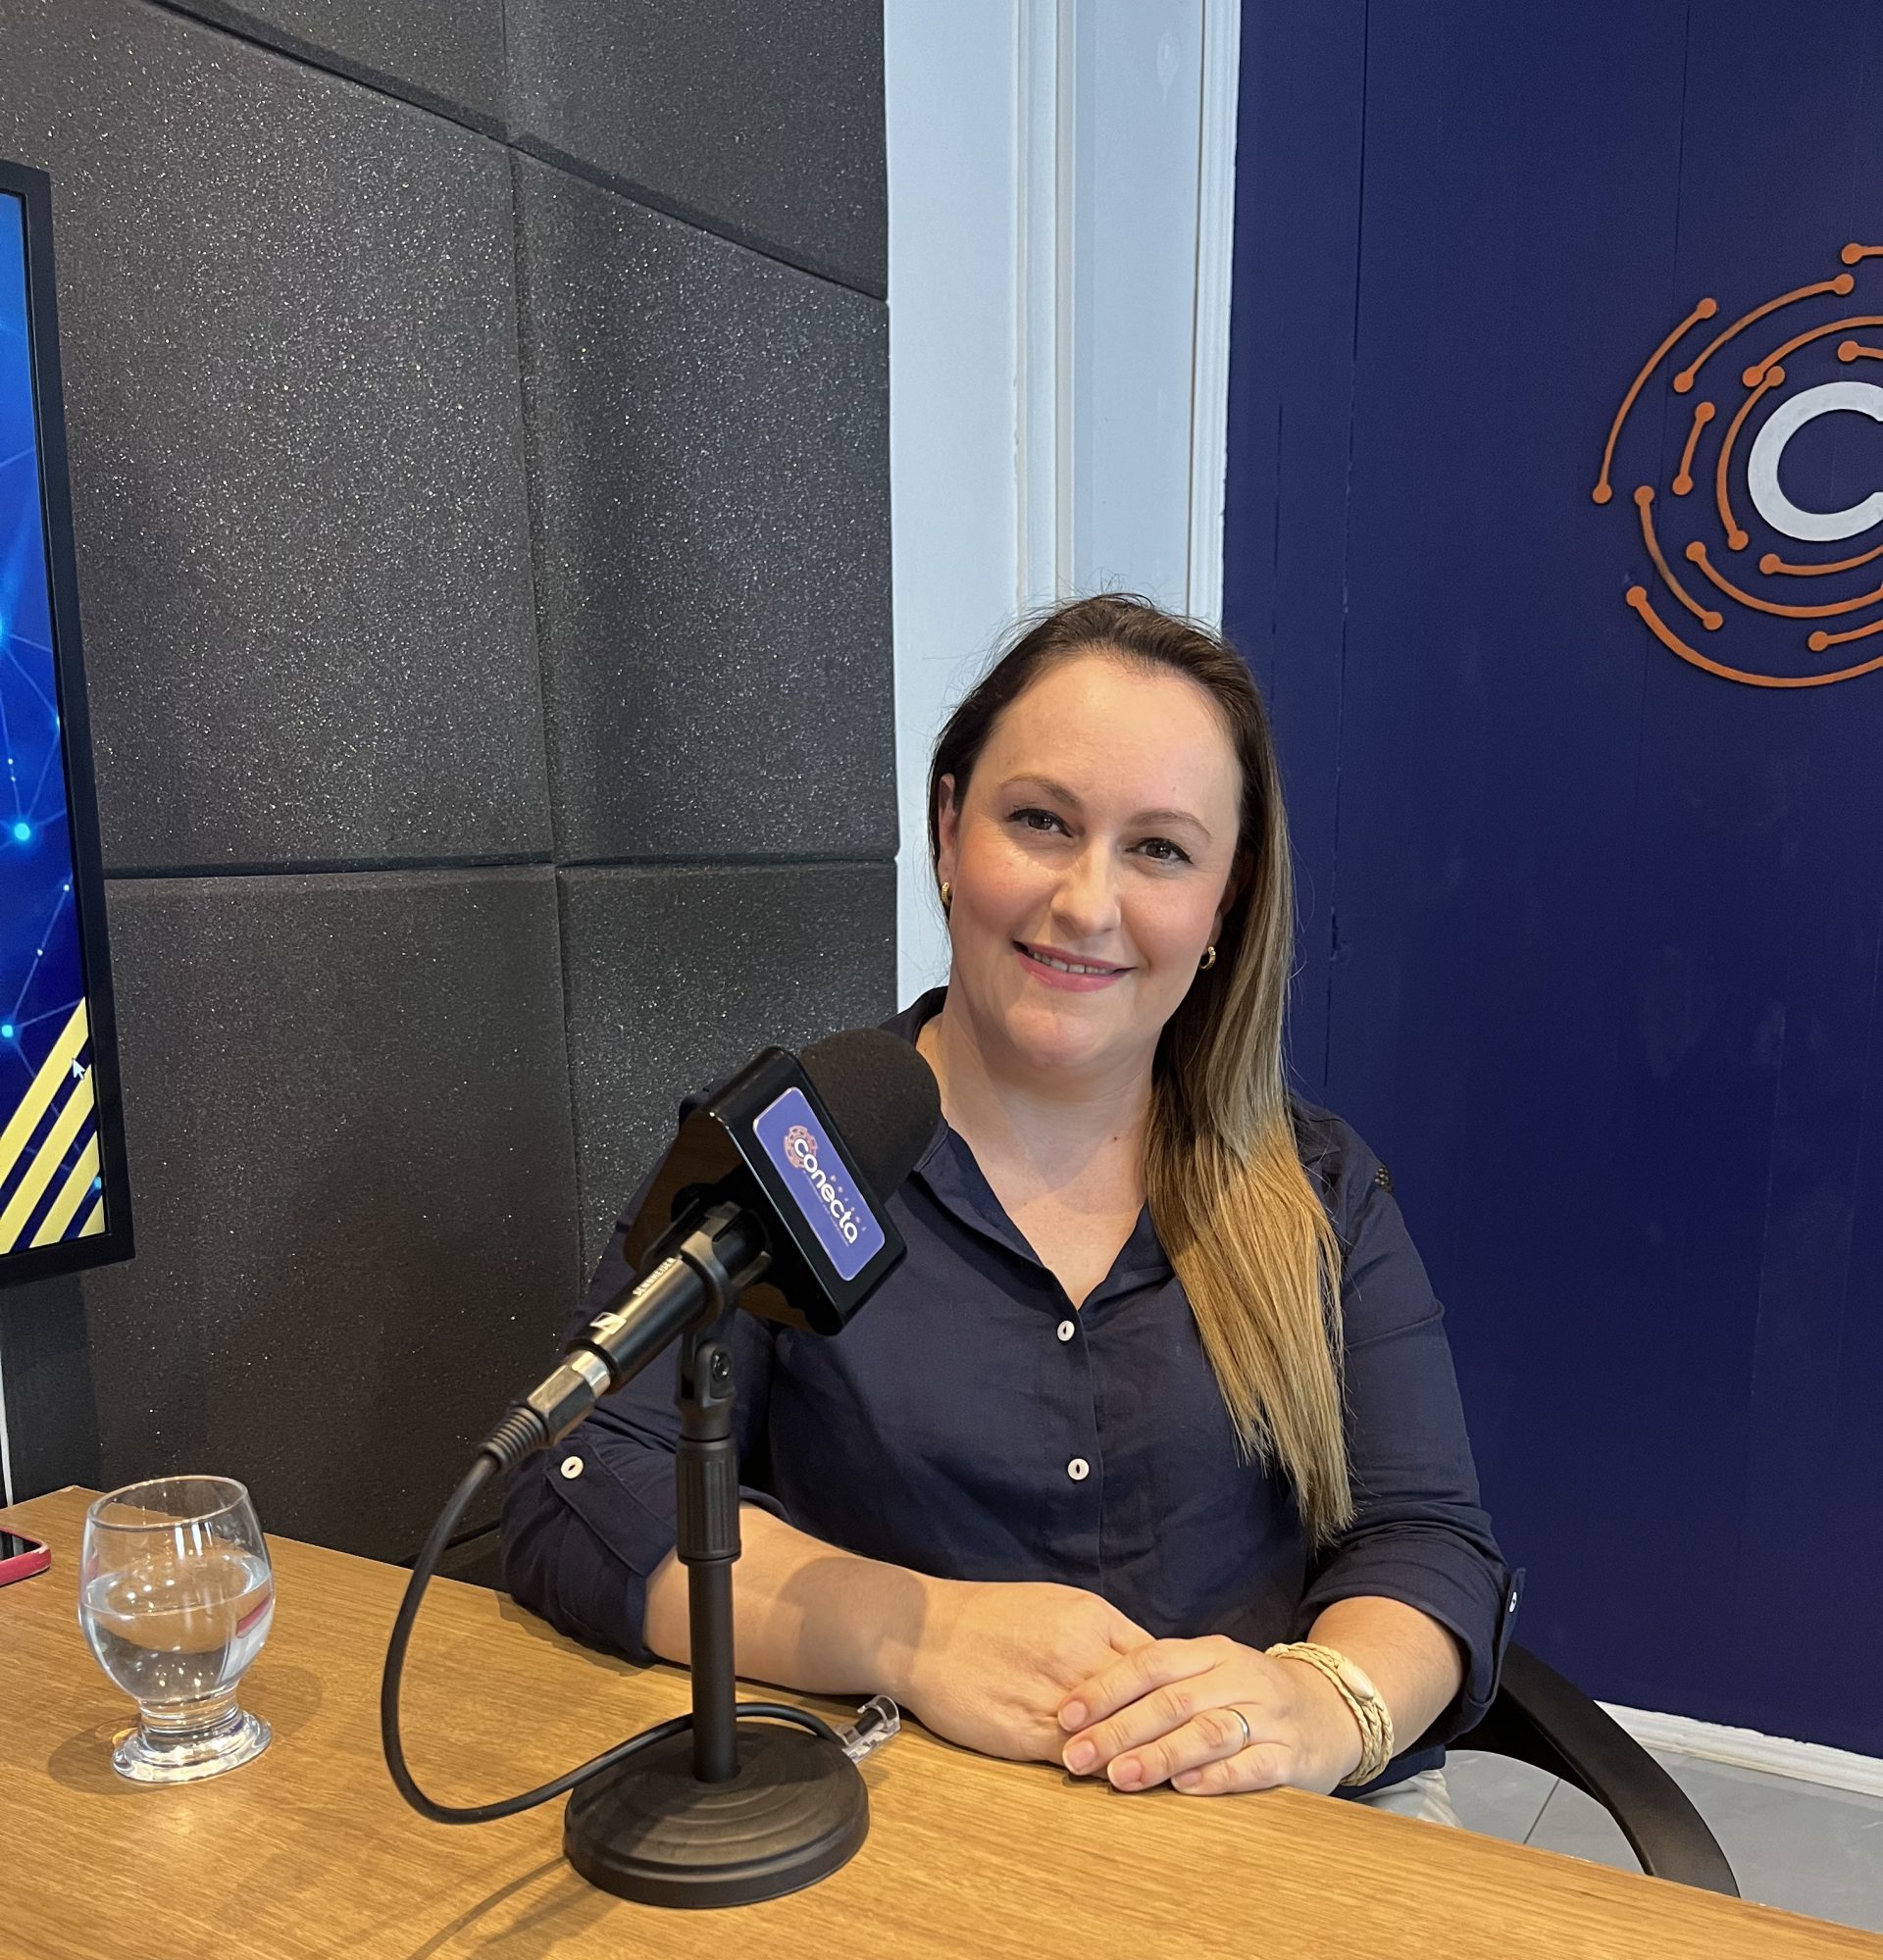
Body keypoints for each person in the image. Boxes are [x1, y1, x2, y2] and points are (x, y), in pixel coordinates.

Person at [502, 595, 1515, 1822]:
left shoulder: (1319, 1192)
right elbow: (578, 1484)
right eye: (1041, 821)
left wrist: (1316, 1702)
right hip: (913, 1815)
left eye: (1160, 849)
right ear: (948, 828)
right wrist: (914, 1632)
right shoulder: (795, 1151)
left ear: (1225, 902)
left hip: (1265, 1824)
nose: (1087, 903)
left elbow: (1429, 1541)